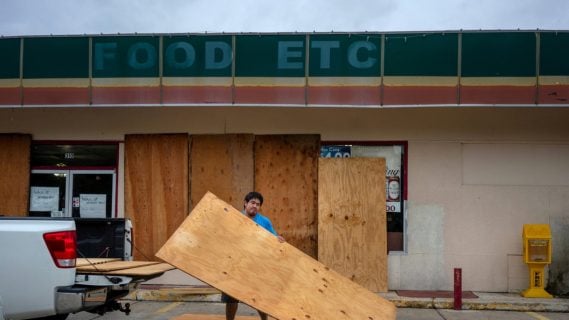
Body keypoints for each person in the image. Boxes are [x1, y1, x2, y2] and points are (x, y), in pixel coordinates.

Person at [222, 191, 285, 320]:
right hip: (236, 263)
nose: (255, 206)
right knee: (231, 297)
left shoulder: (264, 221)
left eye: (258, 204)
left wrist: (278, 239)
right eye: (252, 203)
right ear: (245, 203)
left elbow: (273, 238)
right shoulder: (235, 217)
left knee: (259, 296)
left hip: (256, 264)